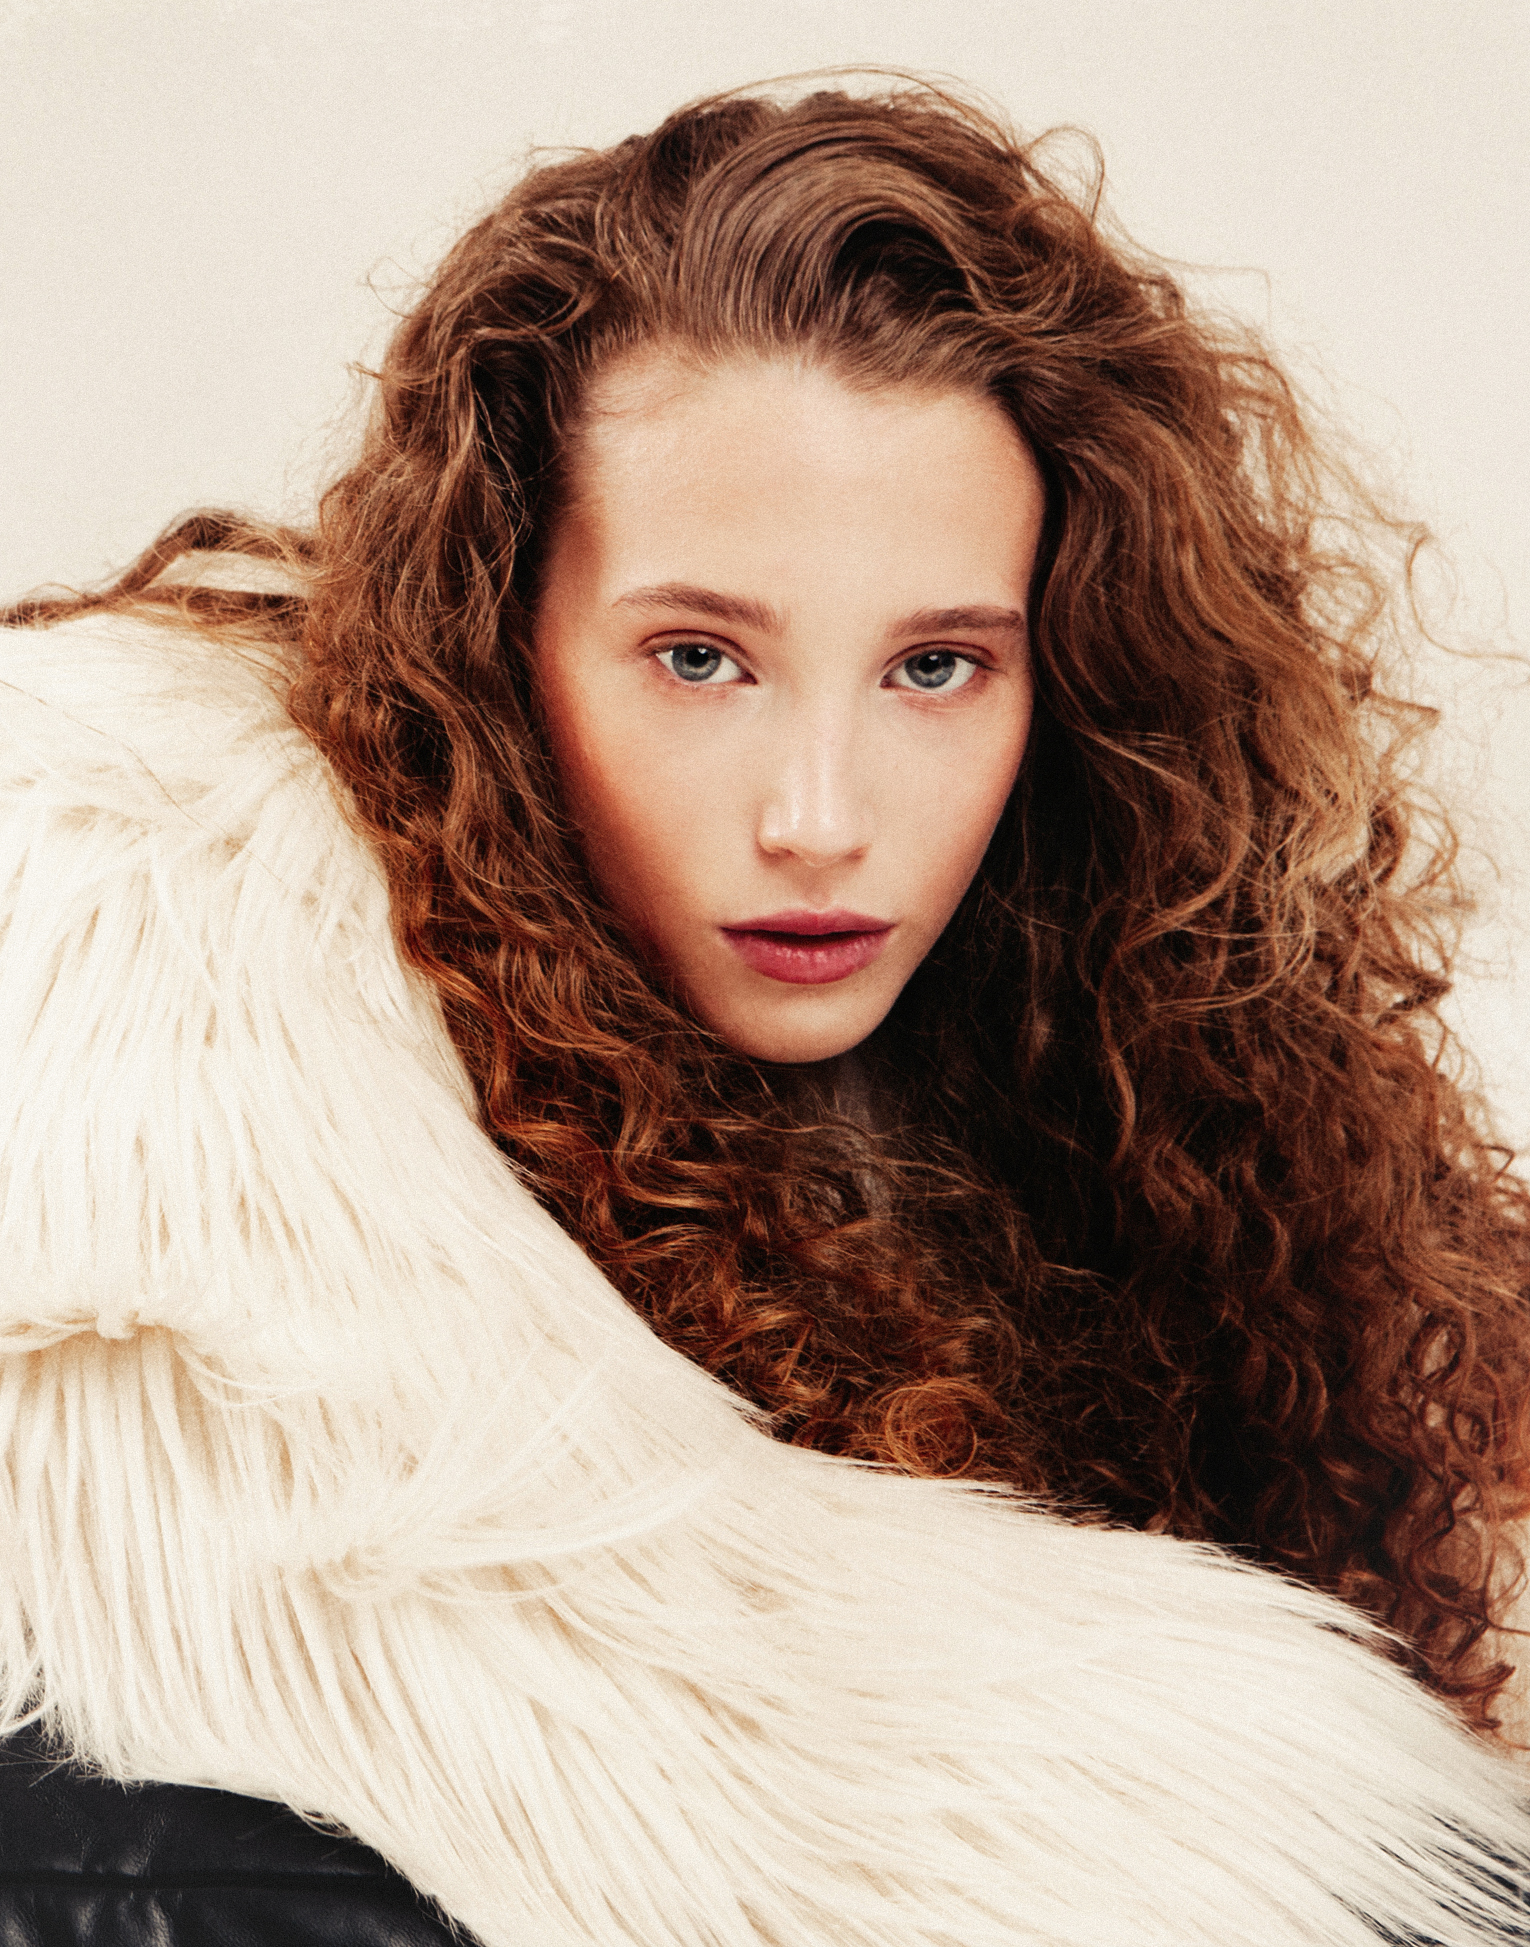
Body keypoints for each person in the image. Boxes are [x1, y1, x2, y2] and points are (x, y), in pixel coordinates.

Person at [2, 80, 1528, 1947]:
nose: (819, 816)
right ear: (495, 639)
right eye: (699, 657)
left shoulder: (1110, 1142)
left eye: (935, 667)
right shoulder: (177, 1351)